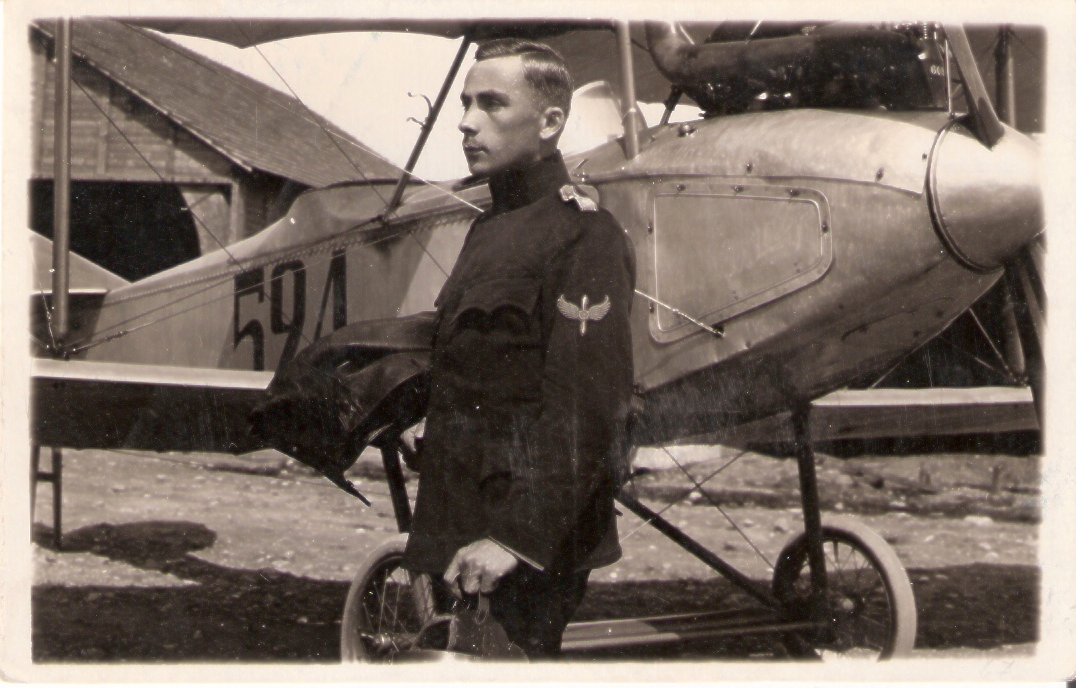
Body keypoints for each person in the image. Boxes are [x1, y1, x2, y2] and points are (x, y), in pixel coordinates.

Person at [401, 38, 636, 657]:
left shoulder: (583, 233)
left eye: (492, 104)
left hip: (521, 545)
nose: (466, 121)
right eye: (466, 103)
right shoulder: (489, 228)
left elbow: (588, 407)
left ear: (550, 122)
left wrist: (515, 539)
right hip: (460, 524)